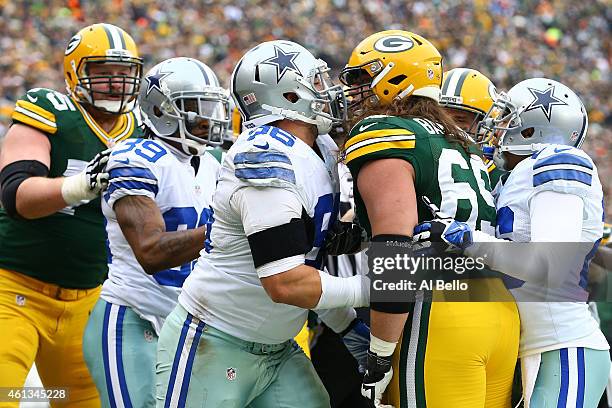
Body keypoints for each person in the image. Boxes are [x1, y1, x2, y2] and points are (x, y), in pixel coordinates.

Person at [155, 40, 369, 408]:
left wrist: (347, 325)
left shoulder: (319, 148)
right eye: (315, 82)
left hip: (278, 347)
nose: (328, 91)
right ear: (286, 93)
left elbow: (308, 257)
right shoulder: (265, 157)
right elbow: (285, 282)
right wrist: (373, 289)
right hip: (214, 340)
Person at [339, 30, 519, 407]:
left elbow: (396, 249)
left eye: (361, 77)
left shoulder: (384, 131)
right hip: (499, 313)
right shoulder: (459, 140)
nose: (355, 89)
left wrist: (380, 354)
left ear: (394, 79)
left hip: (438, 313)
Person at [415, 77, 610, 407]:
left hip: (563, 347)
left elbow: (547, 266)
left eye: (506, 119)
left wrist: (465, 237)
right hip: (522, 348)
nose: (495, 127)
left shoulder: (558, 160)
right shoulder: (513, 176)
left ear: (534, 128)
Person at [0, 23, 143, 407]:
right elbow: (17, 195)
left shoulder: (142, 131)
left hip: (89, 299)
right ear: (74, 72)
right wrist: (82, 184)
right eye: (103, 71)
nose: (117, 83)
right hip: (14, 289)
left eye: (126, 72)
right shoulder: (52, 109)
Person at [82, 57, 228, 408]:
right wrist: (225, 231)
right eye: (197, 108)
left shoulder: (214, 162)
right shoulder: (135, 158)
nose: (210, 117)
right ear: (162, 110)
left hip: (190, 323)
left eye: (212, 106)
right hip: (133, 317)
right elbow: (151, 252)